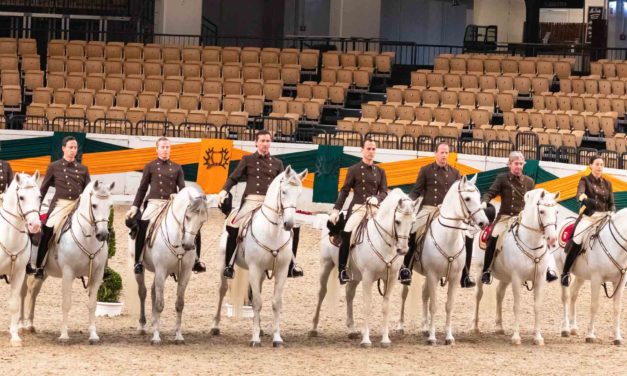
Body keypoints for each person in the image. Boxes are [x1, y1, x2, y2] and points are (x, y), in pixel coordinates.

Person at [218, 130, 303, 279]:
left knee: (293, 227)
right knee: (234, 224)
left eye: (268, 141)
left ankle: (291, 265)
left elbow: (283, 185)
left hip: (271, 204)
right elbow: (234, 177)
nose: (265, 144)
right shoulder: (247, 159)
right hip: (251, 201)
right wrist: (224, 191)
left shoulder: (277, 163)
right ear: (256, 143)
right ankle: (229, 265)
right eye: (262, 141)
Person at [399, 142, 476, 287]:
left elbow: (459, 196)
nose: (444, 156)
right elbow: (416, 190)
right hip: (429, 209)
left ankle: (465, 274)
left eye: (446, 153)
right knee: (413, 230)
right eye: (442, 152)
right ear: (436, 154)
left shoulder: (455, 173)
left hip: (447, 212)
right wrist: (408, 201)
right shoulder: (426, 170)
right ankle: (406, 268)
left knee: (468, 234)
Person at [126, 137, 205, 274]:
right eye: (162, 147)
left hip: (171, 204)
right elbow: (142, 189)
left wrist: (178, 195)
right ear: (157, 149)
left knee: (192, 225)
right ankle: (138, 261)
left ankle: (196, 260)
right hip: (154, 203)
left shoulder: (177, 167)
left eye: (167, 147)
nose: (165, 150)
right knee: (143, 224)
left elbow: (183, 189)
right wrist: (135, 206)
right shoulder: (150, 166)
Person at [480, 151, 558, 284]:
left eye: (521, 164)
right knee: (494, 236)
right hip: (505, 217)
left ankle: (549, 269)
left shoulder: (529, 181)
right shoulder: (502, 178)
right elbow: (490, 192)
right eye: (516, 164)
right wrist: (484, 201)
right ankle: (486, 271)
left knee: (543, 235)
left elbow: (534, 203)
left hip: (523, 218)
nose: (519, 166)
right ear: (509, 164)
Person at [328, 138, 388, 284]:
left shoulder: (380, 171)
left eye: (373, 149)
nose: (371, 152)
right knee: (348, 232)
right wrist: (336, 210)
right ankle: (343, 269)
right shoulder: (353, 169)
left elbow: (384, 192)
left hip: (375, 209)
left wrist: (377, 199)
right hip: (358, 209)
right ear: (362, 150)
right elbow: (345, 190)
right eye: (368, 149)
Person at [31, 136, 91, 279]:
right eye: (70, 147)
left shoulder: (83, 169)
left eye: (75, 148)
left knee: (93, 228)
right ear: (63, 148)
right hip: (60, 205)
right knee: (48, 230)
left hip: (77, 206)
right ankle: (40, 266)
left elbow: (89, 192)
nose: (73, 150)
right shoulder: (54, 166)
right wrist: (36, 209)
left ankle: (93, 264)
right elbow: (43, 190)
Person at [561, 155, 616, 286]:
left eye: (602, 164)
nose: (599, 167)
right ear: (590, 165)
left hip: (605, 216)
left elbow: (611, 203)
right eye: (597, 164)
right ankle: (566, 272)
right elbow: (579, 194)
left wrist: (612, 211)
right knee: (578, 237)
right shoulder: (585, 180)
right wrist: (584, 199)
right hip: (590, 217)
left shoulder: (608, 183)